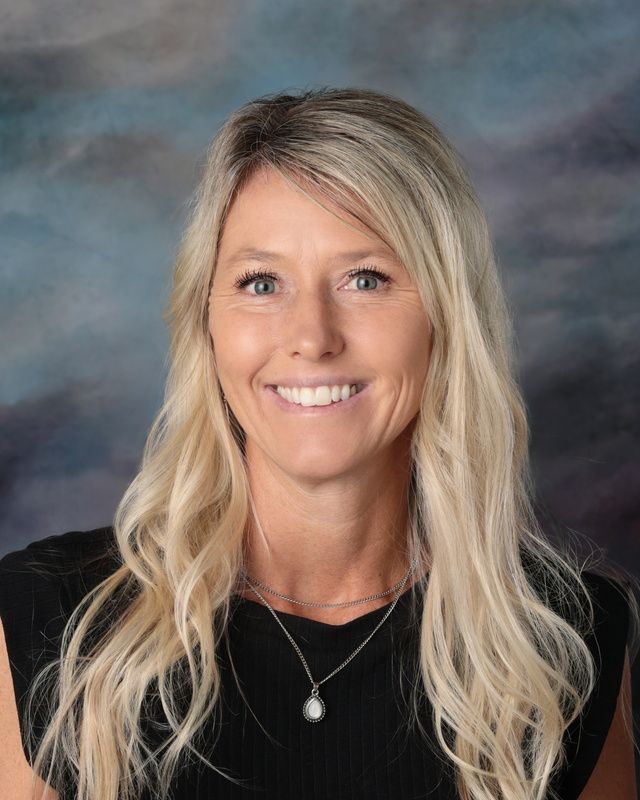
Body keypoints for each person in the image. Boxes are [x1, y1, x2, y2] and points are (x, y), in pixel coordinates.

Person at [0, 87, 637, 800]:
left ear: (446, 316)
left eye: (366, 279)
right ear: (205, 320)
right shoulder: (53, 622)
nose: (312, 337)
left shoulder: (563, 643)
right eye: (261, 282)